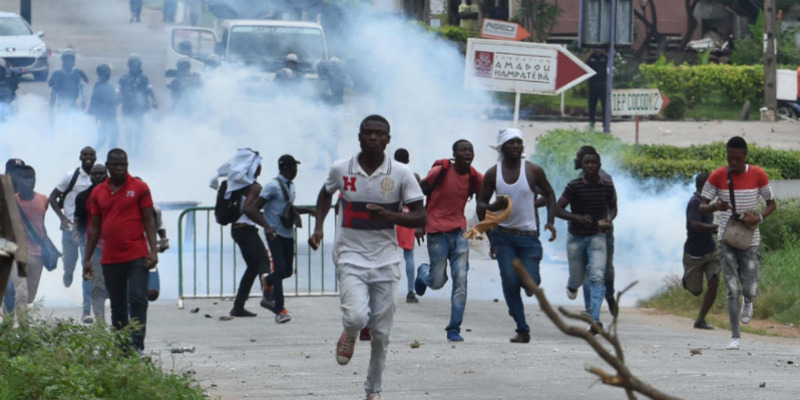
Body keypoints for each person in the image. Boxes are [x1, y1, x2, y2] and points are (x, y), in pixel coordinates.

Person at [308, 115, 426, 400]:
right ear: (359, 137)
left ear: (388, 139)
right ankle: (349, 332)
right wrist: (319, 227)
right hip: (350, 255)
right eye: (367, 133)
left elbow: (421, 215)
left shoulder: (401, 173)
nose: (373, 138)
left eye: (379, 134)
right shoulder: (341, 169)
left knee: (381, 333)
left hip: (386, 259)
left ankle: (373, 389)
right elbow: (325, 194)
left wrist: (389, 215)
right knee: (357, 316)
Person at [476, 128, 557, 344]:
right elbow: (481, 205)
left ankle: (524, 294)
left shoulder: (532, 171)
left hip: (529, 237)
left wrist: (550, 221)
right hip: (504, 237)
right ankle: (522, 328)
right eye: (511, 143)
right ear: (502, 147)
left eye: (518, 143)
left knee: (532, 283)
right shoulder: (493, 174)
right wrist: (493, 209)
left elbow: (549, 193)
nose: (515, 147)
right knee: (509, 281)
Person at [698, 136, 776, 351]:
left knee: (749, 289)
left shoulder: (758, 174)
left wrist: (759, 218)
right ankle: (735, 337)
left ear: (745, 156)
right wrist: (715, 206)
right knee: (732, 289)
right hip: (726, 238)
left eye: (737, 158)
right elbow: (702, 206)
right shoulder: (718, 176)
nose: (733, 162)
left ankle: (749, 300)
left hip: (750, 238)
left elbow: (772, 203)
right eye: (729, 157)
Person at [83, 149, 158, 354]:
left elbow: (148, 220)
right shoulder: (98, 192)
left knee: (137, 298)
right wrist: (87, 258)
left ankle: (136, 345)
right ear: (107, 166)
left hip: (137, 254)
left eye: (123, 165)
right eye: (115, 165)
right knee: (117, 304)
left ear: (127, 165)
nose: (119, 169)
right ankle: (121, 346)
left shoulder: (140, 187)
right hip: (110, 257)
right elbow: (94, 227)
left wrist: (153, 250)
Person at [414, 140, 483, 342]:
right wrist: (418, 223)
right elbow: (417, 192)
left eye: (470, 150)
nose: (468, 153)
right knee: (437, 282)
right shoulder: (440, 172)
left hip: (459, 234)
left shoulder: (475, 177)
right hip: (436, 234)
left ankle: (454, 328)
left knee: (460, 280)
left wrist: (489, 232)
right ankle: (422, 272)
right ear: (454, 154)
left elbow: (482, 206)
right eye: (463, 150)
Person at [555, 148, 617, 334]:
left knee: (597, 275)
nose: (590, 166)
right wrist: (578, 218)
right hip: (576, 237)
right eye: (586, 163)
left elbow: (613, 207)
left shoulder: (606, 185)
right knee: (578, 276)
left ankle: (595, 321)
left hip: (597, 236)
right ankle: (573, 284)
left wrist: (608, 219)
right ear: (582, 166)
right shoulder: (574, 186)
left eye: (593, 163)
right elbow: (558, 209)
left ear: (599, 165)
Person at [254, 154, 313, 323]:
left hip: (288, 233)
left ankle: (267, 279)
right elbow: (254, 208)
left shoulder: (291, 186)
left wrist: (309, 211)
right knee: (280, 269)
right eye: (294, 167)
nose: (296, 171)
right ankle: (280, 309)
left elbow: (288, 208)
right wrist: (267, 226)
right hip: (275, 234)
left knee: (287, 271)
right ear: (287, 168)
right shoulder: (272, 186)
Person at [211, 148, 268, 317]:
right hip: (246, 230)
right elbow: (249, 209)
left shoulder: (236, 186)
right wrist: (267, 225)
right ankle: (269, 298)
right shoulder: (254, 187)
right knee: (264, 262)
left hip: (237, 230)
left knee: (252, 267)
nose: (260, 168)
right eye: (258, 165)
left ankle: (238, 306)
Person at [48, 146, 96, 322]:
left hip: (87, 230)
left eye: (91, 155)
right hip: (69, 228)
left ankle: (86, 311)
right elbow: (52, 198)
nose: (88, 157)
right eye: (85, 154)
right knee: (70, 262)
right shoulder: (71, 176)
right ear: (80, 157)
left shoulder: (99, 178)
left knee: (87, 266)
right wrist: (62, 218)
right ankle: (67, 273)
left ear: (96, 158)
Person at [572, 146, 618, 318]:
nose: (575, 161)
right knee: (588, 269)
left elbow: (613, 205)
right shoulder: (579, 179)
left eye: (578, 157)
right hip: (585, 232)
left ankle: (609, 295)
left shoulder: (605, 179)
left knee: (605, 269)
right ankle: (590, 307)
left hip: (602, 232)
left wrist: (607, 221)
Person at [10, 165, 49, 315]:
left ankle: (13, 314)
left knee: (30, 295)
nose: (28, 182)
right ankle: (23, 327)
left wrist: (47, 248)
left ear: (35, 180)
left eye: (31, 178)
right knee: (21, 288)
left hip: (37, 254)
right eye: (24, 179)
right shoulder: (11, 200)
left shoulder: (43, 200)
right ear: (18, 182)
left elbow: (41, 226)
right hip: (19, 253)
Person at [683, 172, 720, 330]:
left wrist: (714, 231)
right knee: (696, 290)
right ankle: (687, 280)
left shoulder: (708, 204)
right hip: (694, 254)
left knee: (714, 283)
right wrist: (714, 227)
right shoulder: (694, 202)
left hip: (711, 251)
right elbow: (695, 225)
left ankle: (700, 319)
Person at [74, 164, 109, 324]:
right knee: (96, 283)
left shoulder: (115, 194)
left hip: (115, 245)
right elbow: (79, 219)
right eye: (95, 174)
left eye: (102, 174)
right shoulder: (83, 197)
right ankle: (99, 318)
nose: (98, 177)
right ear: (90, 176)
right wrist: (78, 235)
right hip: (94, 246)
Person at [391, 149, 421, 305]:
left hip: (391, 218)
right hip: (408, 218)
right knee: (409, 255)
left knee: (388, 254)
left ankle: (388, 289)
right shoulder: (414, 177)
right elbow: (419, 203)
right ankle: (410, 291)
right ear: (408, 160)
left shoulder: (389, 176)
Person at [119, 54, 157, 155]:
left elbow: (149, 90)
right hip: (128, 107)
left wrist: (154, 100)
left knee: (138, 129)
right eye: (133, 65)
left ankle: (136, 148)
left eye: (137, 65)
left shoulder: (144, 78)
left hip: (141, 107)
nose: (135, 67)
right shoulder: (124, 79)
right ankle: (130, 148)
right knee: (128, 128)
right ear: (129, 66)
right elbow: (120, 92)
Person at [88, 64, 120, 151]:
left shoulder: (101, 85)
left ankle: (96, 153)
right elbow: (112, 100)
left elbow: (93, 102)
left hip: (106, 116)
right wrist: (120, 96)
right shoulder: (103, 86)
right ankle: (92, 154)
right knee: (107, 139)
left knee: (107, 139)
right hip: (106, 117)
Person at [584, 49, 607, 130]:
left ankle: (605, 123)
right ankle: (591, 123)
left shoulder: (604, 57)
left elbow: (614, 56)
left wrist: (608, 48)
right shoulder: (591, 58)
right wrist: (591, 53)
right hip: (592, 83)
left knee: (605, 104)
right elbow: (584, 62)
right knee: (592, 104)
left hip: (603, 83)